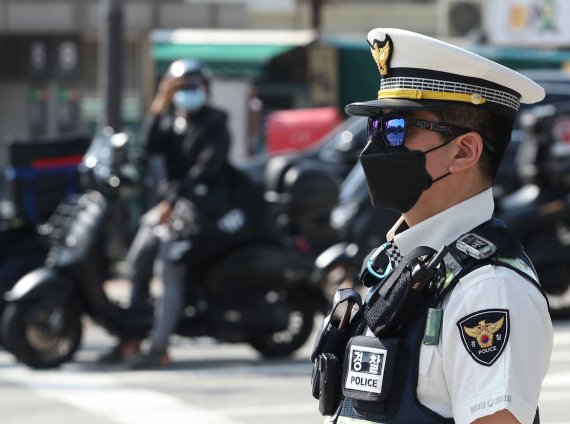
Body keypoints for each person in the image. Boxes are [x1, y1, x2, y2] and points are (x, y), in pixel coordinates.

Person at [312, 29, 553, 423]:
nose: (375, 146)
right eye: (375, 127)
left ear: (464, 151)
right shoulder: (402, 260)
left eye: (397, 129)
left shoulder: (487, 290)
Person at [99, 58, 234, 367]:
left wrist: (171, 202)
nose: (187, 92)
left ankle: (159, 345)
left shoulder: (215, 121)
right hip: (168, 208)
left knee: (169, 268)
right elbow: (147, 148)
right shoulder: (173, 122)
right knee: (136, 262)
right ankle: (131, 335)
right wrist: (159, 101)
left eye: (192, 85)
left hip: (200, 210)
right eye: (180, 86)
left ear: (206, 88)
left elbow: (205, 171)